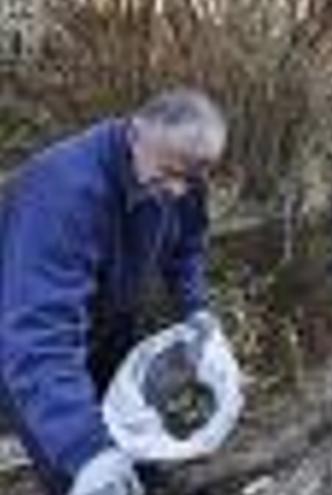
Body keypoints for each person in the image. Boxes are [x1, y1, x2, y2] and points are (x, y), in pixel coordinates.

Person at [0, 89, 227, 495]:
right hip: (23, 339)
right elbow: (38, 335)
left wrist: (196, 309)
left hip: (110, 323)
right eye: (168, 174)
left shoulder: (184, 174)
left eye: (190, 178)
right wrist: (86, 450)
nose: (178, 191)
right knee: (81, 468)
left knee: (139, 449)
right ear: (135, 132)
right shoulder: (64, 194)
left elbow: (188, 245)